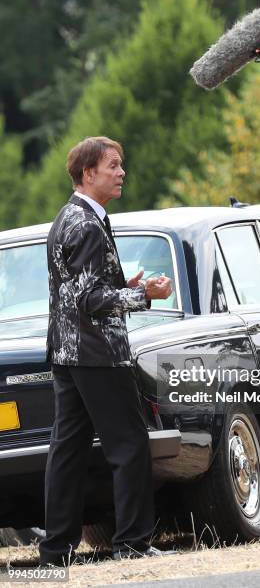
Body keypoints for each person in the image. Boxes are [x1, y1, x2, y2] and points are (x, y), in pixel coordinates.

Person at [39, 136, 173, 565]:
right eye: (113, 166)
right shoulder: (87, 225)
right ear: (88, 173)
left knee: (67, 451)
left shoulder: (67, 217)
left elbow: (76, 292)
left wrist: (126, 286)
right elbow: (89, 299)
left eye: (121, 165)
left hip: (66, 352)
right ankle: (132, 543)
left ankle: (55, 552)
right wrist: (145, 297)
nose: (122, 173)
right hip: (97, 353)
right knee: (129, 445)